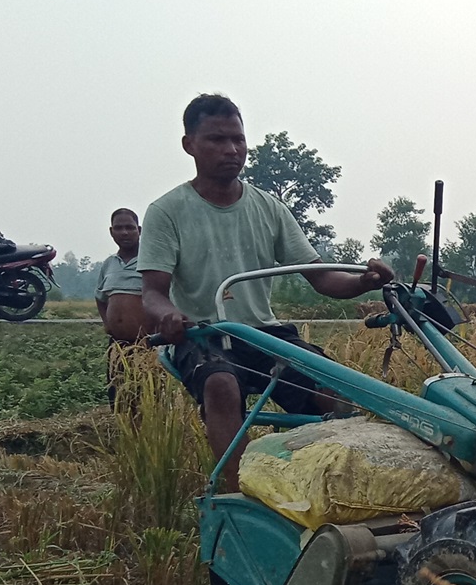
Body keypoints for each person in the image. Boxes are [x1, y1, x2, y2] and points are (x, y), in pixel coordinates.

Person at [135, 93, 394, 491]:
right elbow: (152, 293)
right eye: (217, 140)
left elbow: (321, 277)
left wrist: (363, 281)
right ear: (189, 145)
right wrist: (169, 316)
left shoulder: (269, 207)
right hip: (202, 334)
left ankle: (339, 488)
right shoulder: (167, 211)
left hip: (264, 333)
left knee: (331, 384)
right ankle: (236, 496)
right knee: (220, 384)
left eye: (238, 139)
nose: (232, 150)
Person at [96, 208, 144, 404]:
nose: (124, 232)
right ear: (111, 231)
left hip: (146, 343)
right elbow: (100, 297)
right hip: (117, 345)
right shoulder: (109, 264)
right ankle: (126, 434)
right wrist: (107, 323)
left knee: (149, 395)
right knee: (119, 395)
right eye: (119, 228)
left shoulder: (152, 260)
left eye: (130, 228)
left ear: (139, 230)